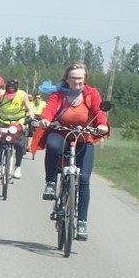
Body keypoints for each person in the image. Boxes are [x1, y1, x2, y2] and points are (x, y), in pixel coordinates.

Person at [36, 63, 110, 240]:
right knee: (53, 146)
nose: (77, 81)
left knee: (84, 178)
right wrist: (46, 120)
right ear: (67, 78)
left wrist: (101, 125)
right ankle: (51, 182)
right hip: (60, 131)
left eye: (80, 78)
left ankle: (82, 222)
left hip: (84, 136)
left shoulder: (91, 93)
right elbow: (50, 109)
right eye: (73, 78)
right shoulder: (59, 93)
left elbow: (99, 110)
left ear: (85, 79)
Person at [0, 79, 35, 179]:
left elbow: (29, 108)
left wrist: (30, 115)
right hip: (1, 121)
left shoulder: (22, 94)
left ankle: (17, 166)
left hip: (17, 123)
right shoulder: (1, 94)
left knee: (19, 145)